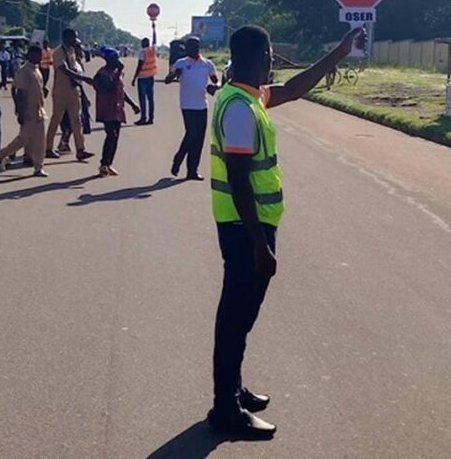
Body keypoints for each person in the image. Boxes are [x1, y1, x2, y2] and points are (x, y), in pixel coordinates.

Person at [206, 25, 365, 439]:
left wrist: (340, 51)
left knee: (241, 316)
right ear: (261, 57)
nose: (273, 63)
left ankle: (233, 390)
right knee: (236, 317)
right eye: (271, 56)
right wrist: (259, 243)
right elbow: (239, 179)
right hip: (245, 229)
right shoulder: (240, 109)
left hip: (247, 226)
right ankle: (225, 409)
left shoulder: (247, 96)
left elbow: (294, 89)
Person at [165, 37, 219, 181]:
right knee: (192, 134)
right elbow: (167, 80)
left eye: (193, 47)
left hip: (202, 105)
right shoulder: (181, 63)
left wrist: (215, 86)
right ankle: (178, 158)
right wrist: (175, 74)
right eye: (188, 47)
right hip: (187, 105)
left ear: (198, 48)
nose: (190, 50)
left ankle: (192, 171)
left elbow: (216, 80)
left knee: (199, 139)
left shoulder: (207, 64)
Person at [0, 45, 49, 177]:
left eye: (40, 55)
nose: (39, 57)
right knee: (23, 139)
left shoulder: (37, 70)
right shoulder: (24, 71)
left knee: (40, 141)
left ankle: (38, 167)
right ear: (29, 55)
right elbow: (20, 92)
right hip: (28, 110)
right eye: (36, 54)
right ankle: (1, 155)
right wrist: (20, 111)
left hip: (39, 110)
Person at [45, 28, 94, 161]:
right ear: (66, 38)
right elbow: (64, 69)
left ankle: (80, 149)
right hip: (61, 91)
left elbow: (76, 68)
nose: (74, 41)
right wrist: (84, 79)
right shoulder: (58, 52)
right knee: (56, 119)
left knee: (77, 121)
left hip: (74, 91)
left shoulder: (72, 51)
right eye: (73, 38)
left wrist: (81, 82)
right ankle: (48, 148)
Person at [92, 48, 139, 176]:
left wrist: (132, 104)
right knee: (111, 135)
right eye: (115, 58)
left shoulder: (118, 72)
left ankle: (108, 164)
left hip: (117, 108)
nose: (117, 61)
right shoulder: (102, 74)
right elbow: (109, 87)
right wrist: (118, 73)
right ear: (108, 60)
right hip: (106, 109)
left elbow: (120, 90)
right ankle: (103, 164)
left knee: (116, 137)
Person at [132, 24, 158, 125]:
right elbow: (155, 40)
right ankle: (151, 118)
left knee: (142, 99)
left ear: (143, 44)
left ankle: (143, 118)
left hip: (142, 77)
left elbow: (139, 65)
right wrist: (154, 29)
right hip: (151, 76)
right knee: (150, 98)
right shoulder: (153, 50)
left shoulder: (142, 52)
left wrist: (134, 78)